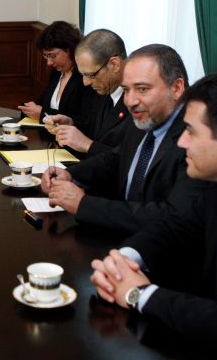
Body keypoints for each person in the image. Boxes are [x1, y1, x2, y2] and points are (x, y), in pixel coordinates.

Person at [90, 70, 217, 359]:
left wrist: (139, 294)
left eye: (190, 131)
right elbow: (176, 225)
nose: (181, 142)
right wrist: (123, 261)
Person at [40, 44, 206, 234]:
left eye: (142, 89)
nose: (130, 101)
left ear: (176, 88)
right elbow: (117, 158)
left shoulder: (196, 139)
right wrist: (71, 174)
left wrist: (84, 205)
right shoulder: (145, 116)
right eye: (126, 90)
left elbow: (173, 216)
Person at [46, 29, 130, 156]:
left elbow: (129, 159)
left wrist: (88, 145)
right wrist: (71, 123)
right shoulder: (104, 89)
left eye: (91, 75)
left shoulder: (137, 103)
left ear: (114, 64)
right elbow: (96, 131)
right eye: (83, 75)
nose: (86, 82)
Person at [18, 21, 95, 132]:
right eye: (46, 56)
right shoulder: (57, 72)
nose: (49, 63)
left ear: (69, 49)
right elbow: (43, 103)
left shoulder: (85, 77)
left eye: (53, 56)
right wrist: (29, 108)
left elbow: (86, 120)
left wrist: (43, 113)